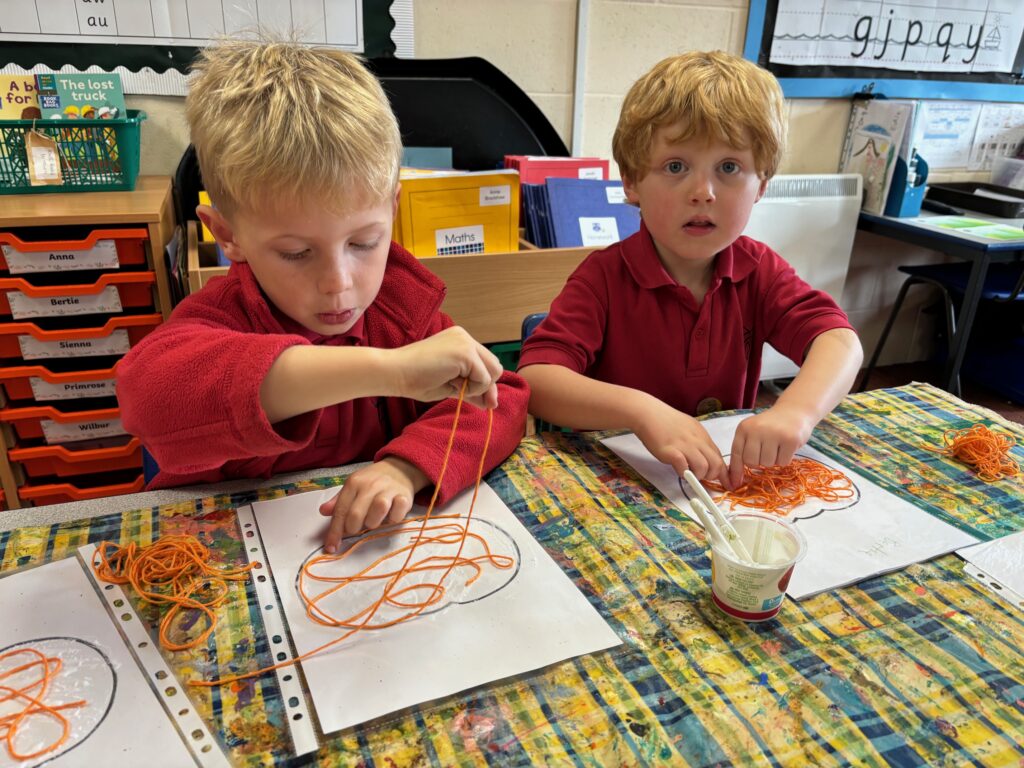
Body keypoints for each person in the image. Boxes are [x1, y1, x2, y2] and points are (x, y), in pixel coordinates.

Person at [117, 40, 529, 552]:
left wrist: (406, 467)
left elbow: (500, 398)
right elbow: (147, 397)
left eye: (363, 242)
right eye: (294, 252)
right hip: (229, 561)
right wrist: (392, 371)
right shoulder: (220, 318)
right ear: (227, 236)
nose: (339, 282)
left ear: (393, 211)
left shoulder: (401, 309)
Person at [518, 51, 862, 489]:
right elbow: (538, 377)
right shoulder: (603, 278)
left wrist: (796, 411)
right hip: (624, 488)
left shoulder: (759, 270)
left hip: (720, 487)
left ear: (763, 185)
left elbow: (839, 341)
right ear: (631, 182)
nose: (703, 192)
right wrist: (641, 411)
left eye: (730, 168)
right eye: (676, 167)